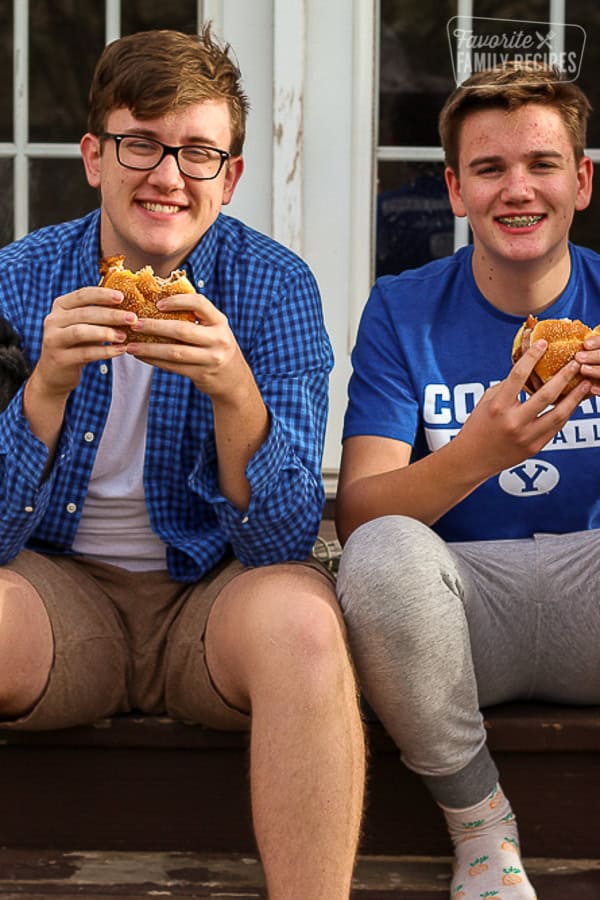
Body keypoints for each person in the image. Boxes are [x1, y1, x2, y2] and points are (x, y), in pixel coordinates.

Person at [0, 27, 365, 900]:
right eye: (141, 144)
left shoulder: (272, 287)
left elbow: (280, 542)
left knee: (307, 621)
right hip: (58, 598)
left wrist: (235, 391)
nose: (168, 175)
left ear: (230, 177)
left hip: (214, 600)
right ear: (94, 156)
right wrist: (43, 389)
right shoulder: (19, 280)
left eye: (198, 152)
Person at [336, 60, 599, 900]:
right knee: (383, 556)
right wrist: (480, 452)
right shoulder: (401, 309)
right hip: (457, 616)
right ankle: (482, 827)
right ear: (455, 189)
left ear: (583, 180)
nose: (516, 190)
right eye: (489, 168)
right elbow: (360, 515)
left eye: (542, 164)